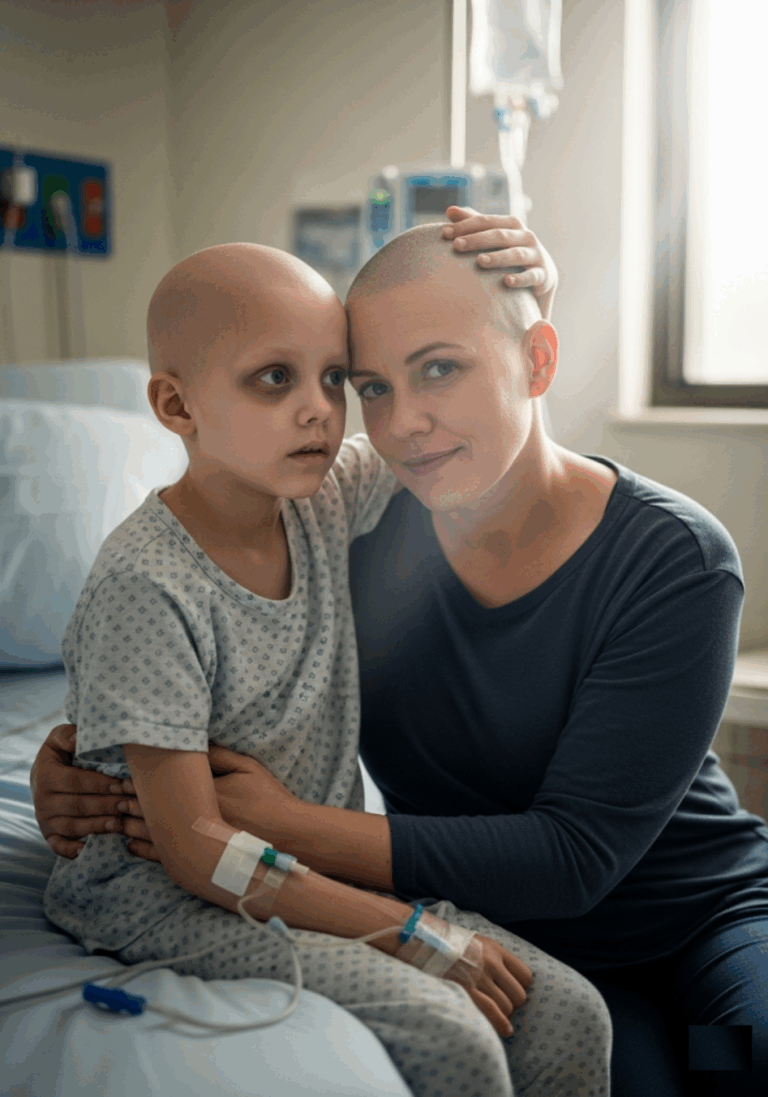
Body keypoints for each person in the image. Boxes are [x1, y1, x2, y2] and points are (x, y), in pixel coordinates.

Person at [31, 221, 614, 1097]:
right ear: (176, 407)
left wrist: (528, 309)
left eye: (333, 378)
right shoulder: (147, 583)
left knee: (573, 1014)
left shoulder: (323, 495)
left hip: (308, 872)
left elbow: (474, 422)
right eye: (275, 379)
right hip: (171, 890)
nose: (320, 408)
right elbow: (195, 848)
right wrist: (409, 930)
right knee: (450, 1035)